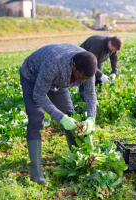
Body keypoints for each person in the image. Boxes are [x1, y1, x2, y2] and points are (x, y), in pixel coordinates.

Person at [20, 43, 98, 185]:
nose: (83, 81)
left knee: (68, 112)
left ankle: (77, 158)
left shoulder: (88, 66)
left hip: (58, 82)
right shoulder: (53, 64)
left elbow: (90, 94)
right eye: (81, 77)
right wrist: (61, 118)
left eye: (86, 79)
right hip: (33, 77)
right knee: (36, 119)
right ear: (73, 65)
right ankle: (36, 170)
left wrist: (91, 118)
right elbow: (39, 96)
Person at [79, 34, 123, 100]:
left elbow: (114, 59)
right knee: (86, 77)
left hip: (97, 59)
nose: (113, 51)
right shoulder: (97, 44)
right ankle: (83, 98)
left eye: (115, 50)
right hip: (84, 59)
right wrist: (101, 75)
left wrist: (114, 72)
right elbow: (90, 63)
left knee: (98, 79)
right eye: (113, 49)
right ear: (110, 43)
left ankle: (98, 95)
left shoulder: (114, 44)